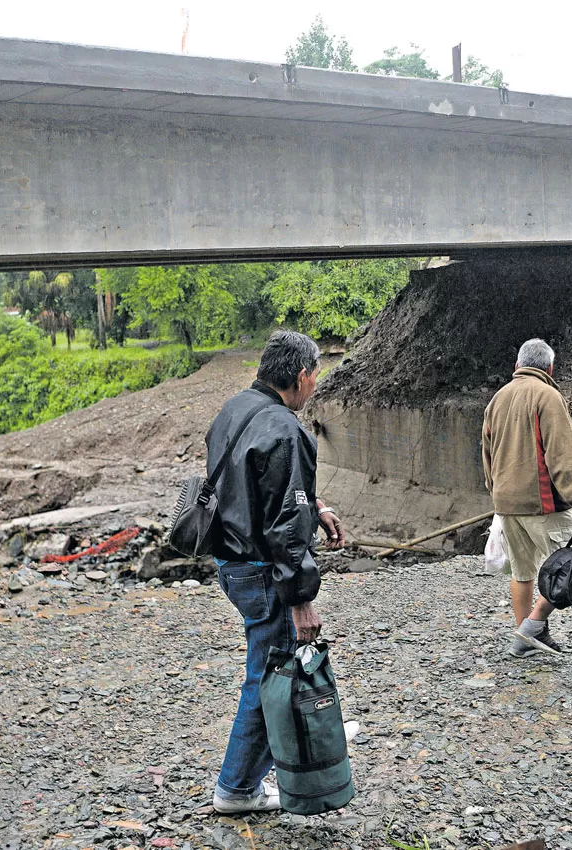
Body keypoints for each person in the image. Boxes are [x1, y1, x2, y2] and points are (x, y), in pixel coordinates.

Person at [205, 330, 345, 813]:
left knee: (265, 670)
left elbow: (250, 483)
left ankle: (244, 781)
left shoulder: (235, 408)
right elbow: (286, 527)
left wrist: (317, 505)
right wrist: (301, 599)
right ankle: (237, 788)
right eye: (316, 376)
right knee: (272, 676)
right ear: (302, 376)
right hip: (262, 568)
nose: (315, 385)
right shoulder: (287, 429)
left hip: (230, 561)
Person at [482, 339, 572, 657]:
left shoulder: (497, 399)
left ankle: (526, 641)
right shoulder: (548, 396)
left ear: (517, 366)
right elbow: (562, 456)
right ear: (549, 368)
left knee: (522, 572)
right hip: (542, 504)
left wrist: (496, 493)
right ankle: (532, 628)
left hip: (505, 504)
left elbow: (487, 454)